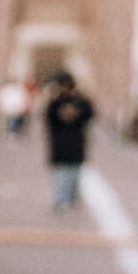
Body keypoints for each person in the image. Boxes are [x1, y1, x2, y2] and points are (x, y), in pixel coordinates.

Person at [43, 64, 96, 208]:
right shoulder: (55, 103)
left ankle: (72, 199)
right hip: (60, 145)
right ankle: (61, 200)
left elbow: (90, 114)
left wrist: (76, 113)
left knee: (74, 177)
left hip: (75, 145)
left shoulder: (81, 102)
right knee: (60, 176)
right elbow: (49, 120)